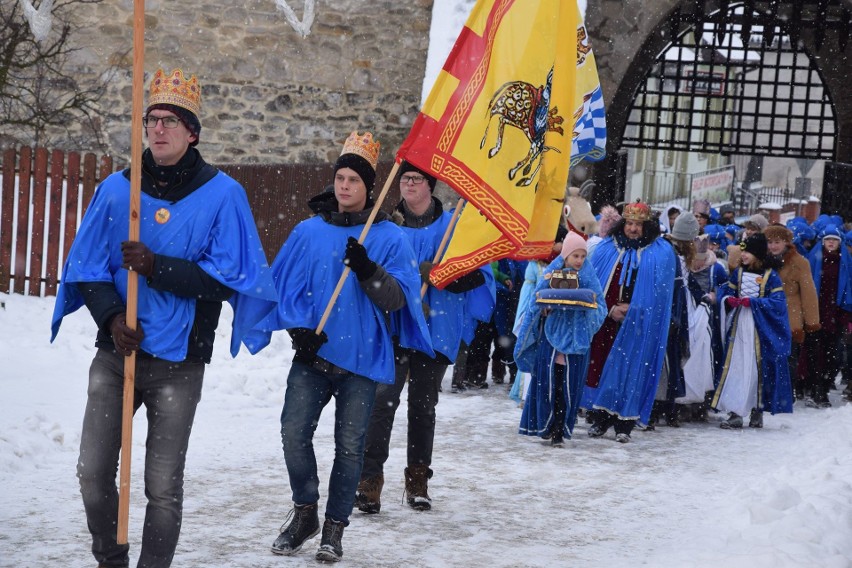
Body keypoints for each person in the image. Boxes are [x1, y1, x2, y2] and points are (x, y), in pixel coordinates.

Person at [50, 68, 277, 568]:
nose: (158, 129)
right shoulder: (118, 190)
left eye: (170, 120)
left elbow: (229, 278)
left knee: (162, 488)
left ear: (192, 132)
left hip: (180, 362)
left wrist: (157, 267)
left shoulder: (223, 195)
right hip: (117, 356)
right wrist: (111, 318)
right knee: (92, 474)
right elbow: (86, 268)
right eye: (152, 119)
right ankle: (110, 558)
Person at [241, 133, 433, 562]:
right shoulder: (308, 232)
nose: (345, 186)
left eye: (354, 180)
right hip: (313, 357)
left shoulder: (388, 237)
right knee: (293, 434)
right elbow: (285, 288)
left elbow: (398, 299)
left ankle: (334, 529)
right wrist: (297, 334)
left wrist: (367, 269)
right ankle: (305, 510)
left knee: (350, 447)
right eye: (340, 177)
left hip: (363, 361)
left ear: (369, 187)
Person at [354, 162, 494, 514]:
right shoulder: (386, 227)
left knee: (422, 406)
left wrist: (443, 274)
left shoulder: (453, 227)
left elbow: (478, 275)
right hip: (395, 327)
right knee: (382, 403)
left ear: (430, 186)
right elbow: (371, 273)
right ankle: (369, 482)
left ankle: (418, 480)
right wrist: (411, 274)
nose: (409, 185)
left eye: (417, 179)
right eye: (405, 179)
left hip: (436, 330)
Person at [582, 200, 677, 443]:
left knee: (631, 370)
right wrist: (610, 308)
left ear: (647, 226)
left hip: (639, 324)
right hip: (606, 320)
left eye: (639, 225)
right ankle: (600, 418)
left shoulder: (661, 252)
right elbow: (594, 285)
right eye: (630, 224)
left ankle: (625, 423)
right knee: (602, 367)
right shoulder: (606, 248)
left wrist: (635, 309)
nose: (633, 229)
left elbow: (661, 294)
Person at [514, 232, 607, 445]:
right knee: (550, 385)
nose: (580, 260)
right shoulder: (551, 272)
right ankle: (545, 424)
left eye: (583, 256)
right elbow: (535, 302)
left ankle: (560, 429)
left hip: (577, 341)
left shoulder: (589, 275)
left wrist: (585, 316)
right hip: (552, 339)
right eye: (575, 255)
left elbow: (600, 306)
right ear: (565, 255)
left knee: (569, 388)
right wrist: (545, 309)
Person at [713, 233, 793, 429]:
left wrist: (755, 302)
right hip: (739, 327)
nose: (744, 255)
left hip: (759, 329)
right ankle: (736, 412)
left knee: (757, 369)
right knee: (737, 367)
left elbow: (778, 303)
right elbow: (728, 292)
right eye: (743, 251)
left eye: (747, 251)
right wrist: (728, 299)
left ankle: (757, 409)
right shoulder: (738, 273)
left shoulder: (771, 276)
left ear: (757, 254)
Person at [764, 224, 820, 402]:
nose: (773, 246)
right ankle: (766, 391)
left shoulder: (800, 262)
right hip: (766, 314)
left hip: (789, 316)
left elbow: (809, 293)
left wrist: (812, 321)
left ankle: (785, 393)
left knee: (788, 358)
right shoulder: (761, 260)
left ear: (787, 242)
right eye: (770, 242)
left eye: (777, 242)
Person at [805, 225, 852, 407]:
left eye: (834, 240)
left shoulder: (845, 262)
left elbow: (848, 287)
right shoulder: (815, 260)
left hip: (837, 314)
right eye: (828, 240)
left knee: (833, 355)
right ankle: (815, 389)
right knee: (814, 353)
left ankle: (823, 389)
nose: (831, 243)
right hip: (816, 312)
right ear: (823, 241)